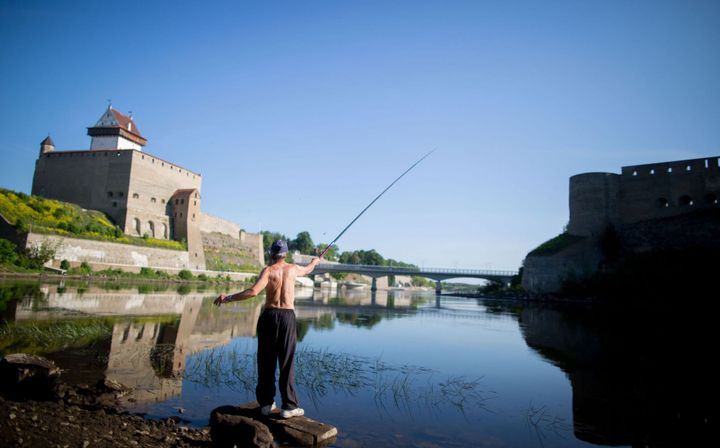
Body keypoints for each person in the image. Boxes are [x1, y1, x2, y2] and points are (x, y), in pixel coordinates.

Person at [214, 239, 321, 418]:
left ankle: (266, 404)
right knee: (286, 361)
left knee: (266, 361)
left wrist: (229, 298)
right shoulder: (293, 269)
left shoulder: (268, 271)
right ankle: (289, 406)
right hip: (287, 317)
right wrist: (314, 262)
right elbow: (308, 270)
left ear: (271, 253)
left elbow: (253, 292)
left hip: (269, 316)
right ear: (285, 254)